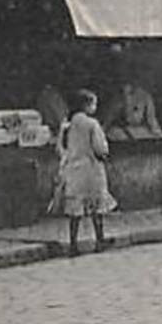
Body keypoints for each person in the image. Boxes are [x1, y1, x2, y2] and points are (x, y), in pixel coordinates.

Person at [56, 89, 116, 256]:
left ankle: (73, 244)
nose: (95, 107)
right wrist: (104, 156)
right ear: (86, 105)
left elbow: (61, 147)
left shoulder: (67, 124)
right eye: (93, 103)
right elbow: (100, 148)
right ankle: (99, 240)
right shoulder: (91, 124)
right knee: (96, 206)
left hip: (73, 170)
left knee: (75, 209)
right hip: (91, 169)